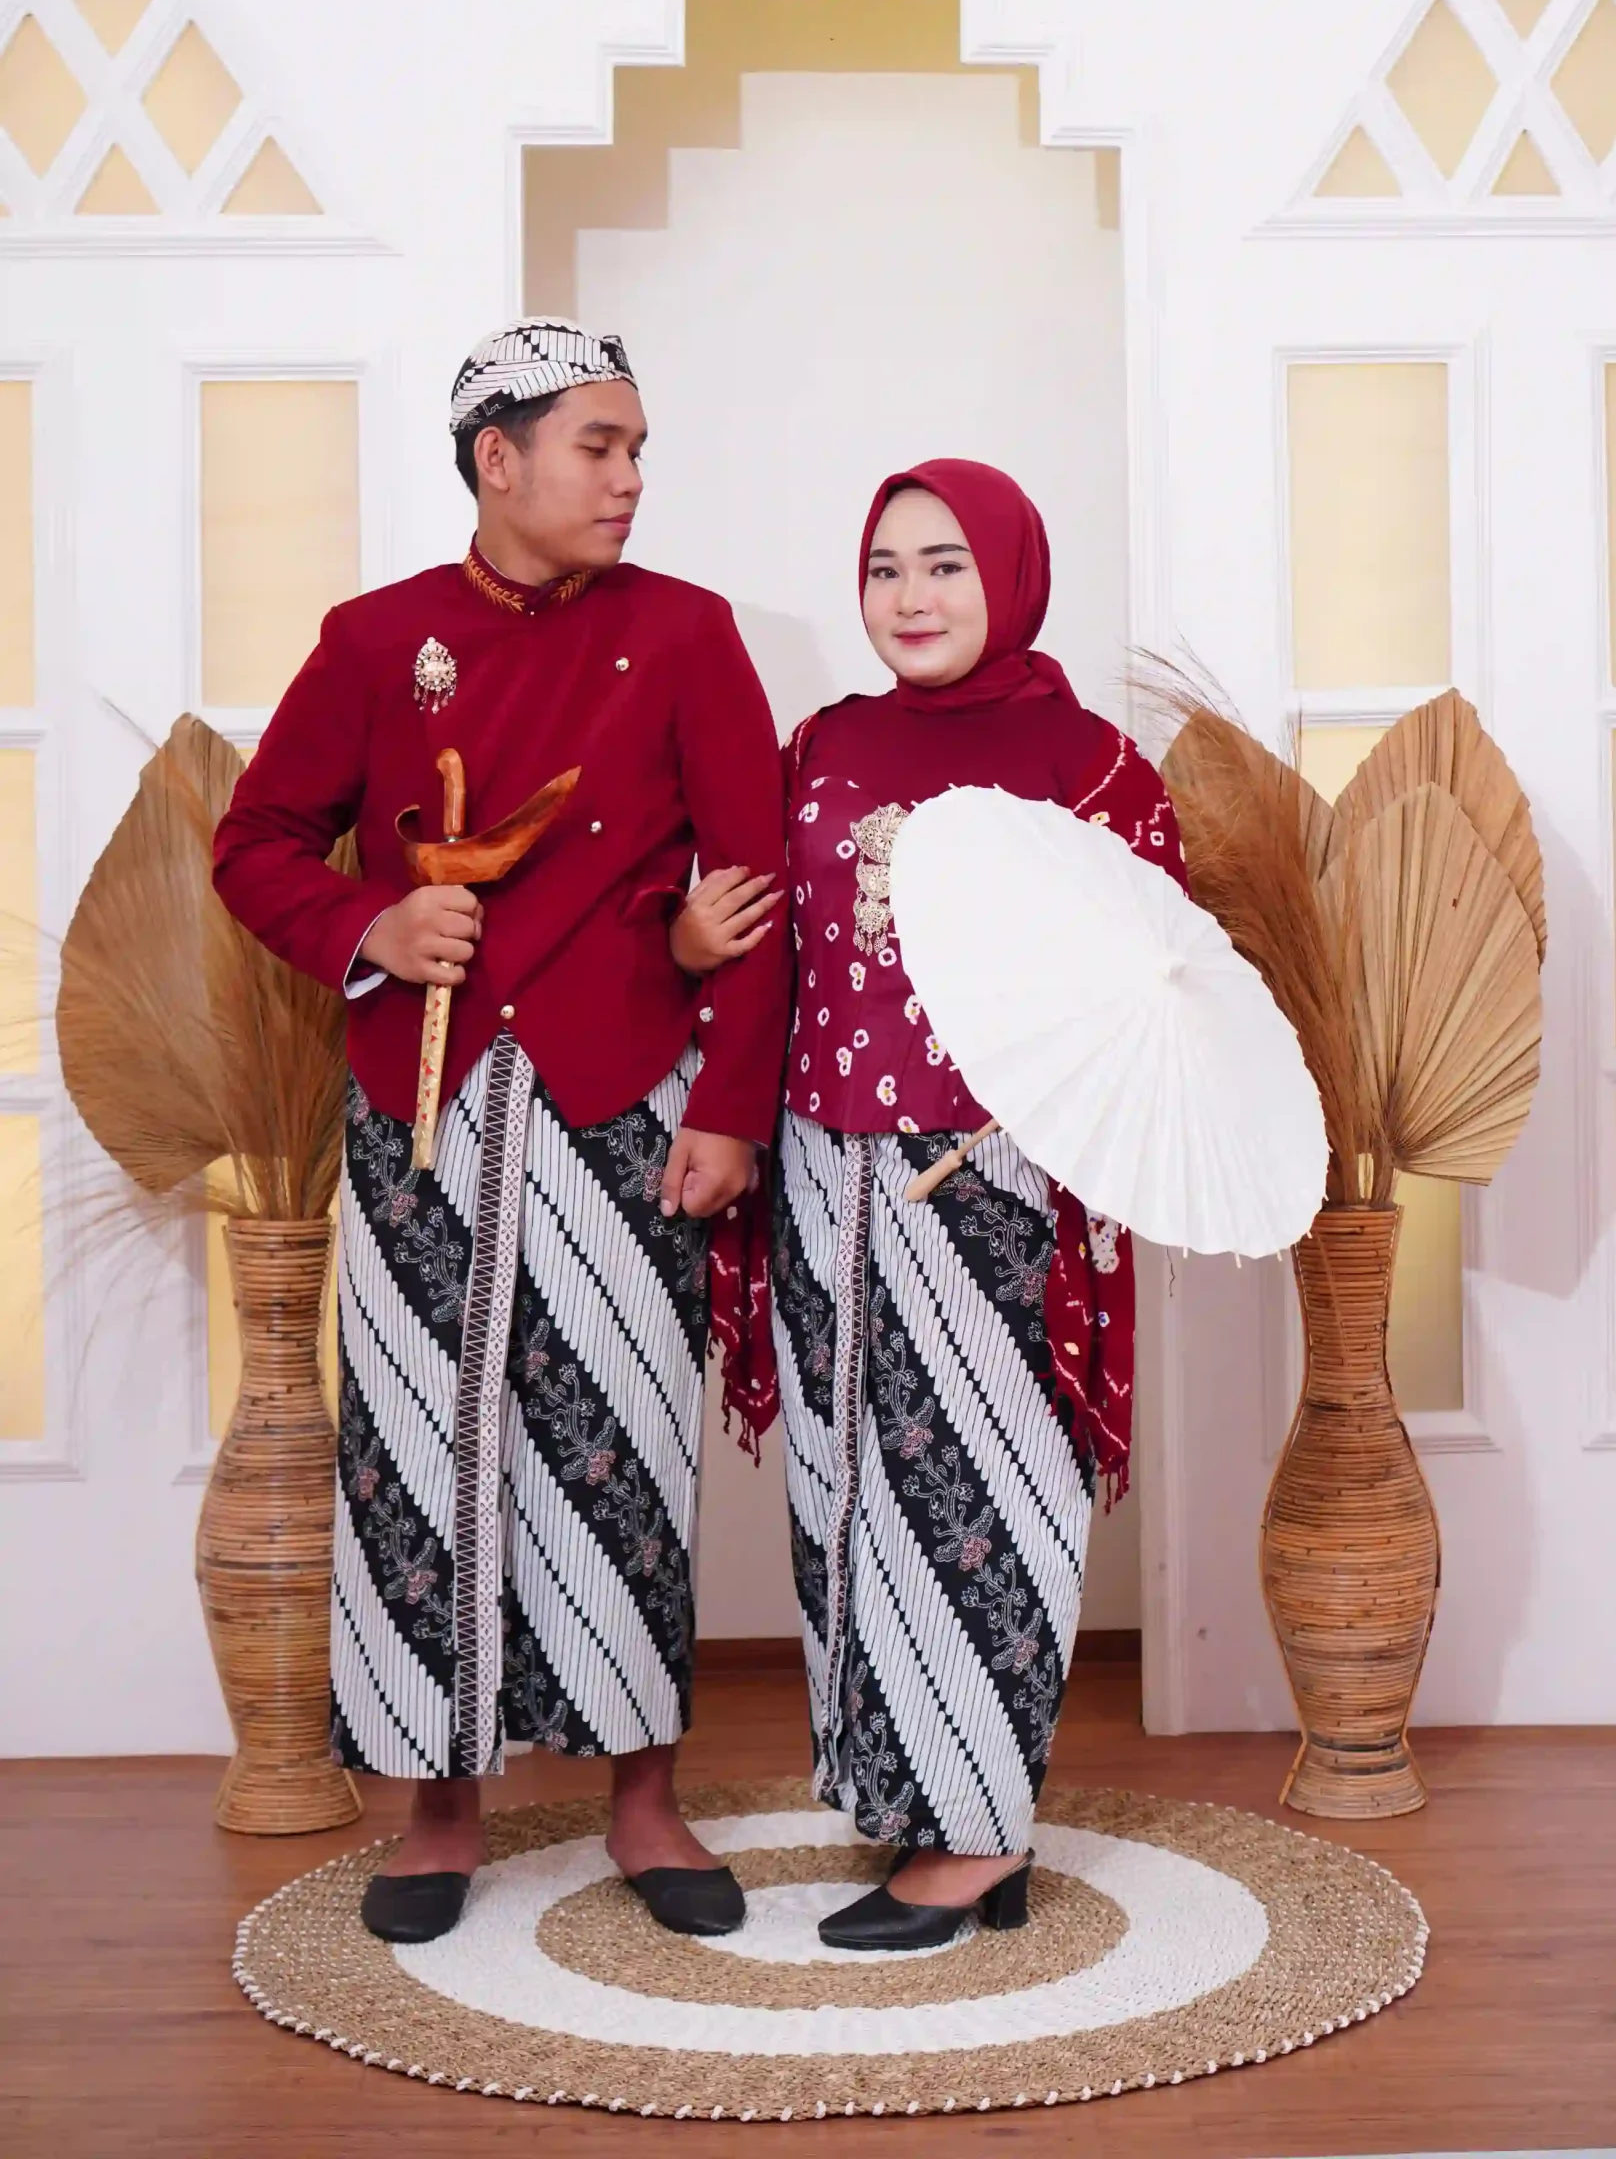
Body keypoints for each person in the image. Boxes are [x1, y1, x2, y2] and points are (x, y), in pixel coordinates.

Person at [213, 321, 789, 1946]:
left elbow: (754, 887)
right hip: (424, 1105)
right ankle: (437, 1808)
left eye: (636, 449)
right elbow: (255, 843)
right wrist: (373, 927)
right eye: (599, 446)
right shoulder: (374, 639)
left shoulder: (686, 633)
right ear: (497, 458)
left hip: (626, 1095)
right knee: (418, 1444)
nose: (628, 477)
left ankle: (642, 1798)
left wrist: (729, 1110)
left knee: (625, 1441)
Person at [677, 458, 1186, 1952]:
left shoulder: (1093, 769)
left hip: (995, 1178)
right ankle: (926, 1802)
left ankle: (976, 1837)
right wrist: (688, 938)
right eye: (885, 568)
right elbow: (761, 938)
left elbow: (1158, 983)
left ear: (1011, 575)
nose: (911, 597)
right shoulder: (823, 746)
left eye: (946, 564)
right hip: (822, 1172)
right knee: (848, 1493)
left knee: (982, 1497)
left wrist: (1030, 1111)